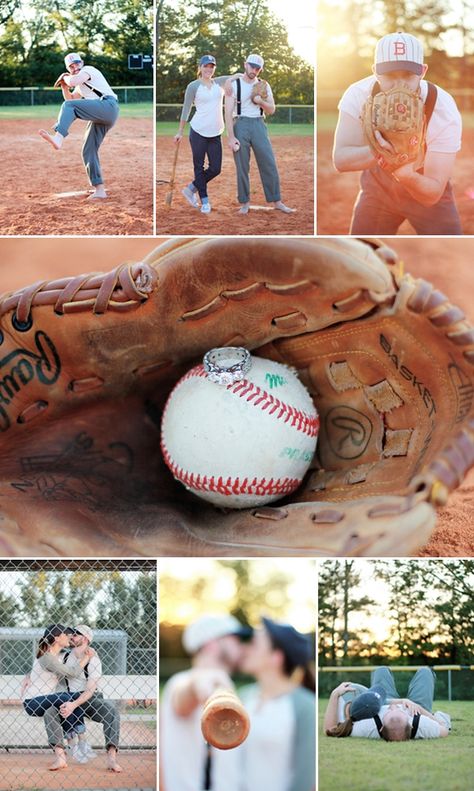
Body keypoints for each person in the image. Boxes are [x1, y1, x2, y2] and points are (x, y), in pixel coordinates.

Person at [333, 31, 462, 234]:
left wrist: (406, 173)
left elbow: (433, 192)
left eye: (408, 75)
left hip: (422, 178)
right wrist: (383, 152)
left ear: (422, 71)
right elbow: (340, 160)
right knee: (364, 247)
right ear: (375, 71)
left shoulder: (442, 107)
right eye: (390, 75)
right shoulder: (358, 94)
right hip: (379, 187)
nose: (399, 85)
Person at [160, 613, 250, 791]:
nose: (241, 646)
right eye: (234, 639)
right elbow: (185, 696)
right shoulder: (180, 682)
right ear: (211, 644)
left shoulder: (228, 685)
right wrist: (199, 683)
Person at [235, 617, 315, 791]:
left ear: (276, 657)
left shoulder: (306, 707)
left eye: (254, 644)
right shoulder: (242, 697)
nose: (245, 648)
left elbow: (305, 780)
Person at [38, 52, 119, 200]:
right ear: (68, 68)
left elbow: (73, 82)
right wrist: (64, 86)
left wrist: (64, 77)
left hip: (108, 105)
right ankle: (100, 190)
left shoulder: (88, 70)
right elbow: (71, 98)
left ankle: (58, 138)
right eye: (71, 66)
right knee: (88, 150)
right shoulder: (79, 84)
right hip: (101, 115)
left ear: (82, 62)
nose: (75, 67)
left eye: (77, 63)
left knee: (69, 106)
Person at [43, 623, 122, 773]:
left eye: (76, 634)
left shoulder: (94, 660)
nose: (71, 636)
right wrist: (29, 675)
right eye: (71, 634)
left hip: (89, 700)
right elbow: (46, 663)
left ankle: (112, 759)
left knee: (112, 713)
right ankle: (60, 757)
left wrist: (74, 705)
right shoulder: (65, 656)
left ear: (85, 638)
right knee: (50, 713)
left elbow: (90, 690)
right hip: (68, 698)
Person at [225, 54, 295, 215]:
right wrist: (231, 136)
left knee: (268, 162)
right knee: (242, 166)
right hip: (240, 124)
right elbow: (227, 112)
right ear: (245, 65)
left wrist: (260, 101)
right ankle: (245, 202)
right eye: (252, 66)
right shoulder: (234, 84)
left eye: (258, 68)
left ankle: (276, 201)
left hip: (258, 124)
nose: (254, 70)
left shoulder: (263, 85)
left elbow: (271, 109)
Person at [21, 624, 96, 771]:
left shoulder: (57, 656)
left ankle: (71, 746)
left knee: (68, 702)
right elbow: (73, 672)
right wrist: (87, 657)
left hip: (47, 699)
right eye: (65, 634)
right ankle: (79, 741)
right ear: (56, 638)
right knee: (74, 697)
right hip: (32, 702)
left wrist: (28, 675)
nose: (69, 636)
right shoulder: (48, 657)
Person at [174, 56, 241, 214]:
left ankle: (191, 189)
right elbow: (186, 109)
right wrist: (180, 131)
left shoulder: (219, 83)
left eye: (212, 67)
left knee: (215, 168)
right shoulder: (193, 86)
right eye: (206, 66)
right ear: (200, 67)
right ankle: (204, 201)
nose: (209, 69)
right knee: (199, 167)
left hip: (215, 132)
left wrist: (253, 76)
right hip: (198, 131)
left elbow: (238, 75)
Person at [324, 666, 451, 740]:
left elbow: (330, 729)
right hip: (418, 708)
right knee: (425, 672)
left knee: (381, 670)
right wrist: (429, 715)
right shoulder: (422, 725)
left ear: (381, 726)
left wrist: (335, 694)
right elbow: (444, 728)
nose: (394, 707)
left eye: (389, 711)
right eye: (401, 711)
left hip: (381, 701)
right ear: (411, 724)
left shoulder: (368, 725)